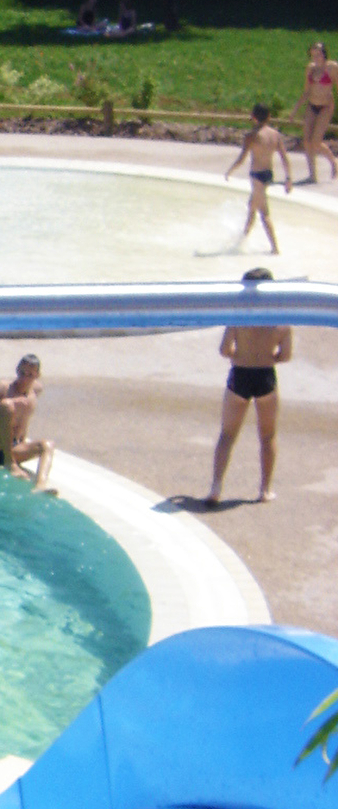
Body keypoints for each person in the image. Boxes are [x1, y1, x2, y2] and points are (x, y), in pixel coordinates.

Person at [206, 268, 293, 506]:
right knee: (267, 436)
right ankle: (264, 490)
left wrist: (240, 355)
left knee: (227, 435)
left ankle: (216, 486)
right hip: (265, 376)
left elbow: (224, 350)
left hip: (240, 376)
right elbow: (286, 356)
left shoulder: (238, 317)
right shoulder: (281, 321)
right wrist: (266, 358)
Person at [0, 354, 56, 492]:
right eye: (22, 373)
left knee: (47, 445)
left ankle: (40, 486)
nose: (24, 378)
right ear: (17, 370)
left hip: (13, 447)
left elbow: (24, 419)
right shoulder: (3, 387)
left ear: (37, 375)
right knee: (7, 405)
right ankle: (9, 463)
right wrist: (10, 403)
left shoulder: (36, 390)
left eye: (29, 375)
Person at [224, 103, 293, 254]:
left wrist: (230, 171)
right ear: (269, 117)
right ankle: (241, 242)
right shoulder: (275, 135)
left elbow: (242, 158)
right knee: (252, 208)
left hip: (256, 177)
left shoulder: (251, 136)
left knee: (264, 213)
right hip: (268, 175)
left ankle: (275, 249)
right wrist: (288, 178)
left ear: (253, 117)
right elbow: (284, 158)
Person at [296, 42, 338, 183]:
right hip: (312, 105)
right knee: (307, 141)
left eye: (319, 54)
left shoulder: (331, 67)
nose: (316, 57)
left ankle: (333, 161)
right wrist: (295, 109)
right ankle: (312, 175)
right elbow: (307, 91)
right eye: (313, 54)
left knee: (316, 142)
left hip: (326, 106)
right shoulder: (310, 68)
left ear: (324, 53)